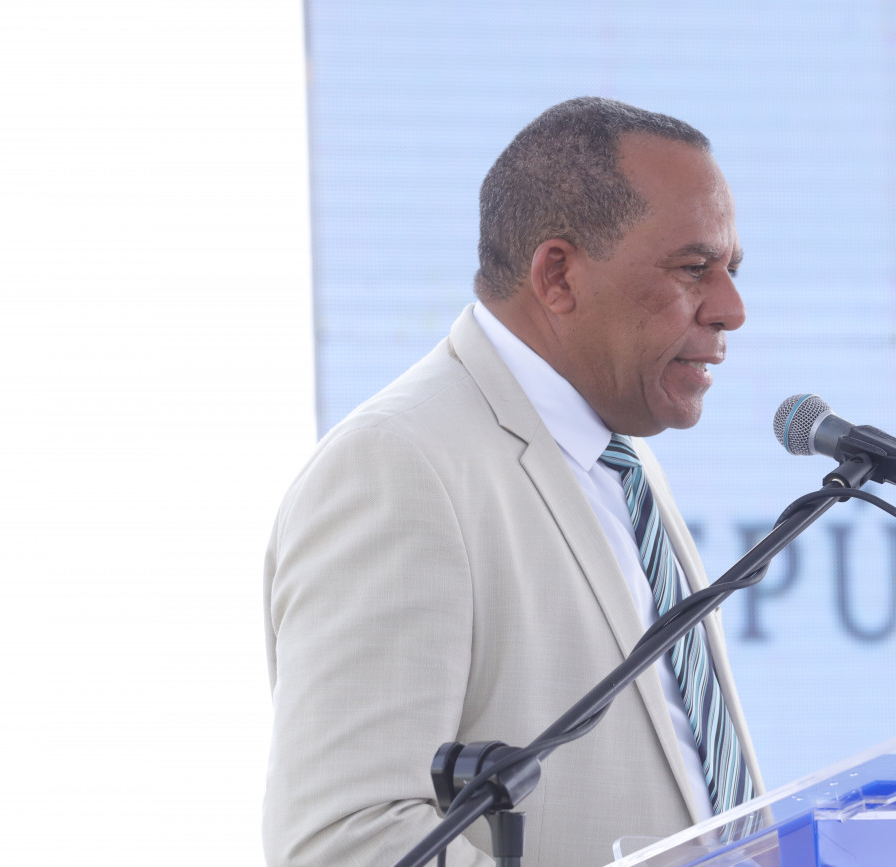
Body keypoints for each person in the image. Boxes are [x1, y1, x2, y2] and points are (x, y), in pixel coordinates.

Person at [262, 97, 764, 867]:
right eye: (694, 269)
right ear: (557, 275)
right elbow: (346, 841)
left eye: (731, 270)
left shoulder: (619, 460)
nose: (731, 308)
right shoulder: (399, 464)